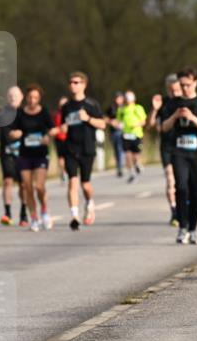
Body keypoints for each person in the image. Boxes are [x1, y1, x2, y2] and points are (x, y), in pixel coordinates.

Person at [161, 67, 197, 244]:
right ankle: (182, 228)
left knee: (194, 192)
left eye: (188, 85)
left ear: (195, 83)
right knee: (181, 188)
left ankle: (193, 229)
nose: (184, 89)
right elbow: (163, 128)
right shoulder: (171, 104)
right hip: (179, 152)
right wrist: (175, 116)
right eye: (181, 85)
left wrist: (192, 118)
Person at [59, 72, 107, 230]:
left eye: (76, 82)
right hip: (70, 149)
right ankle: (74, 215)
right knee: (72, 181)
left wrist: (88, 119)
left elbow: (103, 124)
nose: (73, 85)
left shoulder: (91, 104)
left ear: (84, 85)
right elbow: (64, 125)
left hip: (87, 148)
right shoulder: (66, 107)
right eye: (71, 82)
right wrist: (63, 128)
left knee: (85, 184)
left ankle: (89, 202)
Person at [8, 84, 57, 232]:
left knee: (39, 187)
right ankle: (34, 218)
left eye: (35, 97)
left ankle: (44, 210)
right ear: (26, 97)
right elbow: (11, 131)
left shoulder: (44, 112)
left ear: (39, 98)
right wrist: (14, 134)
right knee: (27, 188)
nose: (32, 100)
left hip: (41, 154)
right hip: (24, 155)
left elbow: (53, 128)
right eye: (30, 97)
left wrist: (48, 137)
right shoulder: (20, 113)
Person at [0, 86, 28, 226]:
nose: (13, 98)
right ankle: (7, 213)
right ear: (7, 97)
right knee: (7, 181)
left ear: (21, 97)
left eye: (16, 95)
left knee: (23, 184)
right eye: (11, 95)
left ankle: (23, 213)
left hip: (24, 152)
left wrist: (21, 133)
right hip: (6, 152)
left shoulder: (25, 112)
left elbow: (34, 129)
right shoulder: (1, 113)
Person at [148, 74, 182, 226]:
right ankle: (174, 211)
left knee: (183, 182)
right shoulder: (163, 103)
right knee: (170, 179)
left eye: (177, 90)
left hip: (183, 145)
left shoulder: (185, 102)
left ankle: (184, 208)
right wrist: (154, 110)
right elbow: (150, 125)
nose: (174, 93)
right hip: (167, 146)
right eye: (171, 90)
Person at [117, 91, 147, 183]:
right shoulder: (121, 109)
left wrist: (136, 124)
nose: (128, 100)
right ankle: (131, 174)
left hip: (136, 134)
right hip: (125, 134)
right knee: (127, 155)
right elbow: (119, 121)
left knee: (135, 155)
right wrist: (119, 125)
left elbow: (143, 121)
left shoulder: (138, 108)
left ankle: (137, 164)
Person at [107, 92, 126, 177]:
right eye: (117, 98)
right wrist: (112, 122)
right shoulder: (111, 108)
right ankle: (118, 166)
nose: (119, 100)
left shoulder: (125, 108)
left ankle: (121, 167)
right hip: (114, 131)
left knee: (121, 149)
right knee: (116, 150)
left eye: (120, 98)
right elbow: (105, 118)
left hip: (123, 131)